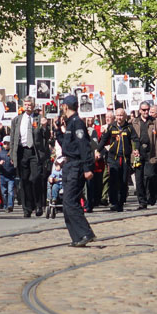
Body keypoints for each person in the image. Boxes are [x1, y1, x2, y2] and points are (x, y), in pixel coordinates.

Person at [58, 95, 96, 247]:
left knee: (70, 201)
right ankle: (77, 237)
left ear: (66, 107)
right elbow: (67, 146)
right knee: (67, 203)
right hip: (68, 165)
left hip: (76, 165)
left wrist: (87, 168)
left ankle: (86, 233)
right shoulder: (69, 124)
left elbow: (84, 146)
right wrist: (58, 131)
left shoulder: (77, 123)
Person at [10, 97, 43, 218]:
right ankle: (27, 208)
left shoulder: (38, 118)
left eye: (30, 104)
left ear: (33, 106)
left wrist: (43, 126)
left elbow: (45, 136)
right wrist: (12, 154)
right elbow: (13, 138)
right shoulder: (17, 120)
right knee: (24, 181)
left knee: (35, 178)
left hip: (34, 152)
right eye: (26, 104)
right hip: (22, 151)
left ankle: (39, 204)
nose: (28, 106)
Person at [99, 107, 133, 211]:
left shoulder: (129, 128)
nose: (119, 117)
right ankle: (113, 202)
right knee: (113, 180)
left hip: (125, 159)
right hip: (113, 158)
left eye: (121, 115)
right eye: (117, 115)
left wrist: (135, 150)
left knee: (123, 181)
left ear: (125, 116)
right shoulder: (111, 127)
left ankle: (121, 202)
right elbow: (104, 139)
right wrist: (97, 150)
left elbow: (135, 140)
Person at [0, 139, 16, 212]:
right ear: (3, 144)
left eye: (8, 143)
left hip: (11, 176)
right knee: (4, 192)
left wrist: (14, 163)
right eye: (5, 143)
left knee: (10, 191)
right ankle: (6, 205)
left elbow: (16, 164)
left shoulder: (13, 153)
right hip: (2, 175)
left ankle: (10, 205)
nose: (7, 145)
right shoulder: (0, 153)